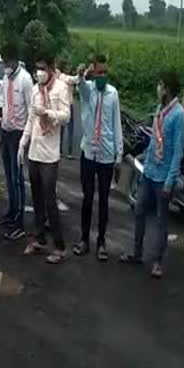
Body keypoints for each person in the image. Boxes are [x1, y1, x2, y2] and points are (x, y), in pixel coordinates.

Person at [120, 70, 184, 279]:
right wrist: (143, 160)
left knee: (161, 221)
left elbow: (177, 151)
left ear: (166, 88)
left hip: (163, 177)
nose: (157, 89)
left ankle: (157, 261)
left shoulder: (178, 115)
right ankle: (137, 253)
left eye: (160, 85)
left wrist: (170, 180)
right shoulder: (161, 110)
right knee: (139, 211)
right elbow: (155, 140)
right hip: (149, 172)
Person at [19, 54, 71, 264]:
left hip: (50, 154)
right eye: (36, 68)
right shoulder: (34, 90)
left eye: (42, 68)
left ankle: (59, 245)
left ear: (50, 68)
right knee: (37, 197)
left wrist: (48, 113)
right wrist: (23, 143)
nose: (39, 72)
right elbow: (31, 119)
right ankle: (40, 238)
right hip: (35, 151)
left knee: (50, 199)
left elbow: (66, 116)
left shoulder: (61, 88)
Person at [72, 57, 123, 260]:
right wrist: (82, 73)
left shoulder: (113, 94)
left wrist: (119, 153)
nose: (102, 76)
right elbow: (81, 85)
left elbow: (116, 124)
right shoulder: (88, 90)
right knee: (87, 197)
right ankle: (84, 239)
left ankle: (101, 242)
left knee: (103, 200)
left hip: (106, 154)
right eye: (98, 73)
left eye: (105, 73)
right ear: (94, 73)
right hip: (89, 152)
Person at [0, 42, 34, 241]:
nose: (6, 66)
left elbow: (32, 111)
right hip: (7, 132)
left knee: (18, 177)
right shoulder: (6, 77)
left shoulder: (25, 80)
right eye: (4, 62)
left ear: (15, 60)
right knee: (9, 175)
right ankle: (12, 211)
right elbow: (3, 102)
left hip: (19, 134)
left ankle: (19, 220)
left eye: (7, 62)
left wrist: (26, 140)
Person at [57, 63, 79, 159]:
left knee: (62, 129)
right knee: (69, 129)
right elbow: (75, 79)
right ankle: (67, 151)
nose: (69, 68)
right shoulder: (64, 77)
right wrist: (83, 73)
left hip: (63, 104)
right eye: (67, 67)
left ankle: (60, 150)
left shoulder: (60, 77)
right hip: (67, 105)